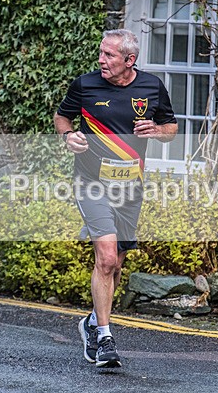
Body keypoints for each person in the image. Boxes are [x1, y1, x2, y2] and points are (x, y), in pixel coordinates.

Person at [53, 29, 178, 368]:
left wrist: (158, 131)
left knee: (116, 264)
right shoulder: (85, 85)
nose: (101, 60)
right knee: (106, 258)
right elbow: (62, 116)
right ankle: (105, 338)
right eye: (101, 53)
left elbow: (170, 127)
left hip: (130, 188)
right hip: (91, 181)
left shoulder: (151, 87)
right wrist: (68, 136)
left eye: (108, 55)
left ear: (129, 60)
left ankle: (92, 322)